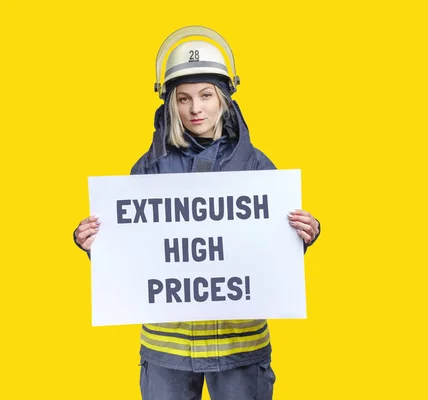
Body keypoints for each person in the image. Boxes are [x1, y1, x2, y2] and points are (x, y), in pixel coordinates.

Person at [73, 26, 320, 400]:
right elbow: (132, 256)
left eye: (205, 95)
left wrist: (304, 234)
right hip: (167, 353)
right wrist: (94, 244)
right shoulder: (148, 169)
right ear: (170, 103)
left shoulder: (256, 167)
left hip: (240, 348)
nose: (195, 108)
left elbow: (271, 255)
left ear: (223, 99)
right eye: (184, 98)